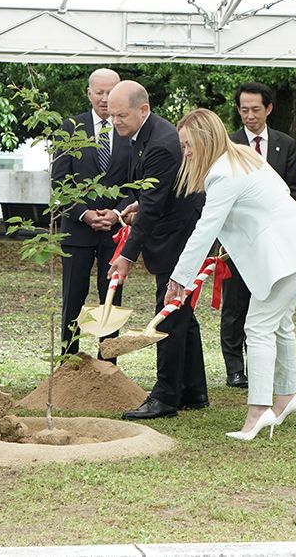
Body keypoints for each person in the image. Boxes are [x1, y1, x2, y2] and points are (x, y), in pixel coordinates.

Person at [166, 109, 296, 440]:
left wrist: (178, 278)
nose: (185, 153)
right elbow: (278, 192)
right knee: (280, 324)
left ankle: (258, 411)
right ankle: (285, 399)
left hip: (288, 252)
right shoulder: (241, 156)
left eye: (188, 145)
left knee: (257, 327)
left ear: (205, 140)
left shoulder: (223, 173)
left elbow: (205, 229)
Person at [107, 81, 207, 420]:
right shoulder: (145, 136)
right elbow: (153, 195)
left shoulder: (162, 143)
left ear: (143, 110)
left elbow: (152, 208)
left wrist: (126, 255)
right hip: (172, 227)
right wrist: (138, 203)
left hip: (178, 236)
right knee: (183, 316)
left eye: (122, 115)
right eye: (112, 115)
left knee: (169, 314)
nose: (116, 122)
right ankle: (194, 390)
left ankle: (165, 396)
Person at [223, 82, 296, 389]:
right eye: (244, 110)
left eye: (256, 109)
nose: (249, 116)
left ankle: (266, 367)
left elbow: (294, 189)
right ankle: (235, 368)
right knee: (235, 303)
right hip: (239, 238)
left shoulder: (286, 143)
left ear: (268, 109)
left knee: (268, 301)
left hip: (275, 239)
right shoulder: (229, 144)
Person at [51, 68, 133, 360]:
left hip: (115, 231)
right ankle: (68, 360)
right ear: (89, 93)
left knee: (111, 298)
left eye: (110, 92)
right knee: (72, 298)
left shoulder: (129, 130)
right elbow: (60, 184)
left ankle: (108, 360)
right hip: (77, 231)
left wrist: (116, 212)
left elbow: (135, 184)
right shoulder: (70, 128)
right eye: (99, 92)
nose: (104, 98)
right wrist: (84, 214)